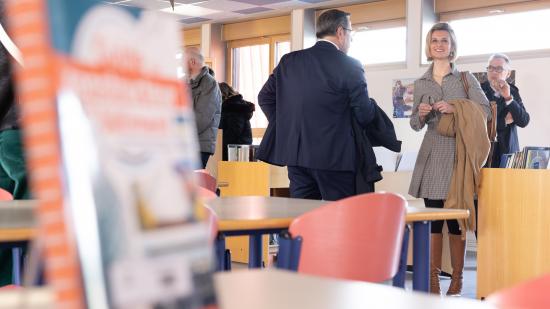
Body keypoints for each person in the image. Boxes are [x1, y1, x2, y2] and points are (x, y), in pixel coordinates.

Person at [256, 9, 375, 201]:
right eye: (351, 32)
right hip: (335, 158)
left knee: (302, 217)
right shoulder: (350, 65)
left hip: (297, 157)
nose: (351, 39)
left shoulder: (289, 61)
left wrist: (287, 124)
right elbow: (364, 115)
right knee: (338, 217)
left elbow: (265, 97)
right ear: (340, 32)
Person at [408, 22, 490, 296]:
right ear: (429, 47)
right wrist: (420, 113)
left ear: (452, 46)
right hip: (431, 156)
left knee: (456, 219)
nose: (439, 45)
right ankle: (432, 281)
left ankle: (457, 281)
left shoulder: (466, 79)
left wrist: (455, 106)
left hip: (459, 156)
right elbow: (415, 125)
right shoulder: (421, 83)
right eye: (434, 41)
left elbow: (485, 111)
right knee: (433, 219)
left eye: (444, 40)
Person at [0, 16, 30, 285]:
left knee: (8, 222)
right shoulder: (16, 13)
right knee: (33, 216)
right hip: (21, 130)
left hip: (9, 130)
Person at [480, 53, 530, 167]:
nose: (493, 72)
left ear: (508, 73)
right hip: (485, 153)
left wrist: (508, 98)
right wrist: (503, 121)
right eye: (490, 68)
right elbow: (478, 124)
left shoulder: (512, 91)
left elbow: (523, 121)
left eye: (499, 69)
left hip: (508, 153)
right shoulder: (478, 91)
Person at [184, 47, 221, 168]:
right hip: (186, 143)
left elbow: (202, 117)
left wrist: (180, 133)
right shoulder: (186, 83)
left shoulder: (209, 84)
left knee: (194, 183)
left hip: (199, 145)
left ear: (192, 62)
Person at [218, 82, 254, 161]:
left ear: (222, 95)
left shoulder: (233, 108)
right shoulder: (235, 106)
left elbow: (233, 132)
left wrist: (218, 145)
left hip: (235, 152)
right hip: (239, 150)